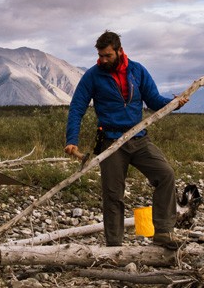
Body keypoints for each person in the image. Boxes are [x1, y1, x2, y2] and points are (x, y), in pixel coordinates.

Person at [65, 30, 187, 249]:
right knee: (113, 194)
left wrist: (173, 104)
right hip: (110, 143)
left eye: (107, 56)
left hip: (138, 137)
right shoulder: (93, 75)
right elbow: (77, 108)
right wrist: (71, 139)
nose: (102, 60)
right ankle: (114, 246)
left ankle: (163, 232)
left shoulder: (137, 71)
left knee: (165, 174)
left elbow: (153, 100)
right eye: (100, 56)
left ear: (119, 51)